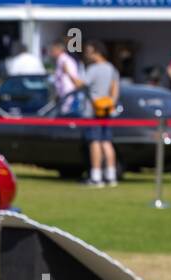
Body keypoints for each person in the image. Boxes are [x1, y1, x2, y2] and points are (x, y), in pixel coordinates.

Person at [79, 42, 120, 187]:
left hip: (92, 111)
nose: (87, 54)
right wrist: (111, 104)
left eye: (89, 51)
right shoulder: (111, 68)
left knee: (95, 142)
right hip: (107, 110)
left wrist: (68, 73)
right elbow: (115, 89)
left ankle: (96, 176)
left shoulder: (93, 69)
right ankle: (111, 175)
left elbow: (80, 84)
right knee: (107, 142)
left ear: (97, 52)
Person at [50, 38, 83, 115]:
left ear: (59, 49)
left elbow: (69, 80)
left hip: (68, 96)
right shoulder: (62, 60)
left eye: (53, 50)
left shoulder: (64, 60)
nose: (51, 53)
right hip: (64, 96)